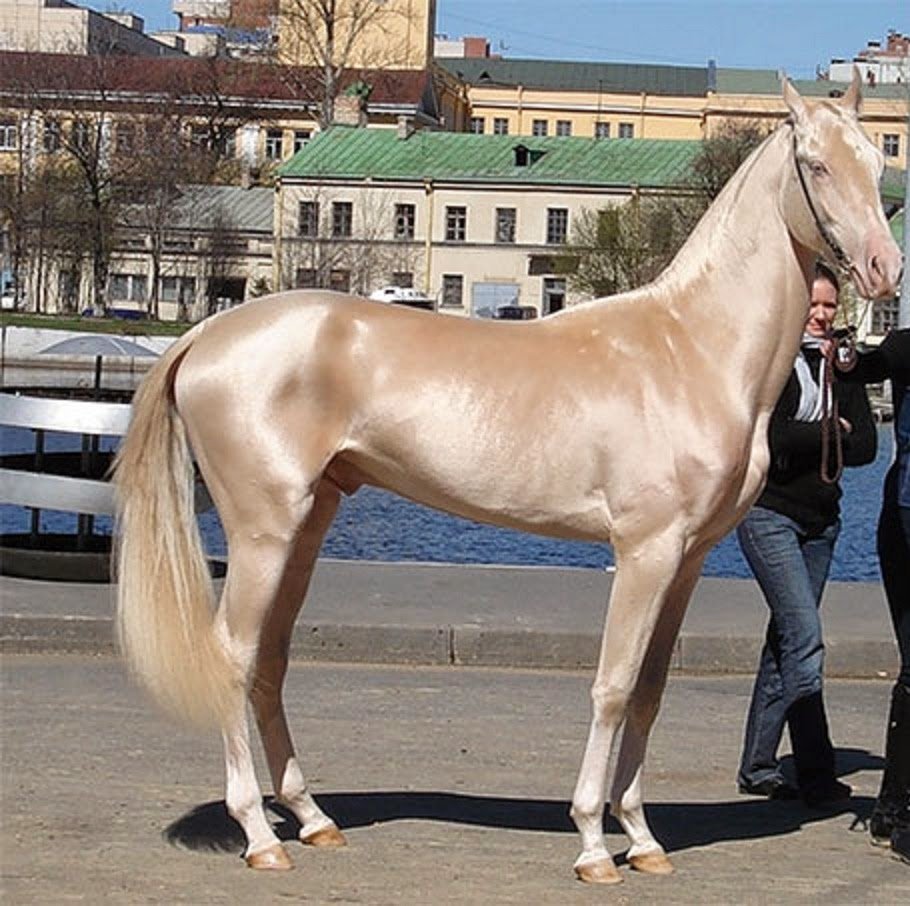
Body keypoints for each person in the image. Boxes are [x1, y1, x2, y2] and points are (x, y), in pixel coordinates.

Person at [736, 261, 877, 807]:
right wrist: (825, 431)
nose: (820, 316)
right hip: (769, 513)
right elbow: (768, 435)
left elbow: (863, 446)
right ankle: (817, 772)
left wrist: (822, 430)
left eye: (827, 307)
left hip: (823, 522)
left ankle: (758, 764)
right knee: (805, 636)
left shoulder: (841, 366)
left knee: (787, 640)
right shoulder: (771, 362)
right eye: (812, 306)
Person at [834, 326, 909, 863]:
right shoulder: (909, 347)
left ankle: (888, 805)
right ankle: (899, 810)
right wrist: (843, 357)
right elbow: (866, 366)